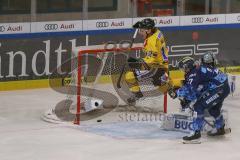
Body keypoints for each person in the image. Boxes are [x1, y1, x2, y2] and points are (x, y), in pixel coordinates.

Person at [168, 56, 230, 142]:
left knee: (198, 107)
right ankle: (220, 127)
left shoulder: (193, 73)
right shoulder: (198, 69)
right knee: (213, 109)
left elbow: (190, 90)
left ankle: (196, 133)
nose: (183, 71)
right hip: (224, 87)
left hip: (219, 89)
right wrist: (186, 98)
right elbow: (199, 89)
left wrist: (176, 93)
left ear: (188, 66)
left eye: (183, 68)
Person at [125, 18, 171, 104]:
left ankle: (137, 95)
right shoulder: (157, 32)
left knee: (129, 76)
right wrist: (140, 25)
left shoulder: (151, 41)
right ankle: (165, 82)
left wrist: (138, 63)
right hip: (161, 66)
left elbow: (151, 60)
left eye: (142, 31)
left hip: (156, 68)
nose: (140, 33)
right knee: (158, 83)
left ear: (149, 30)